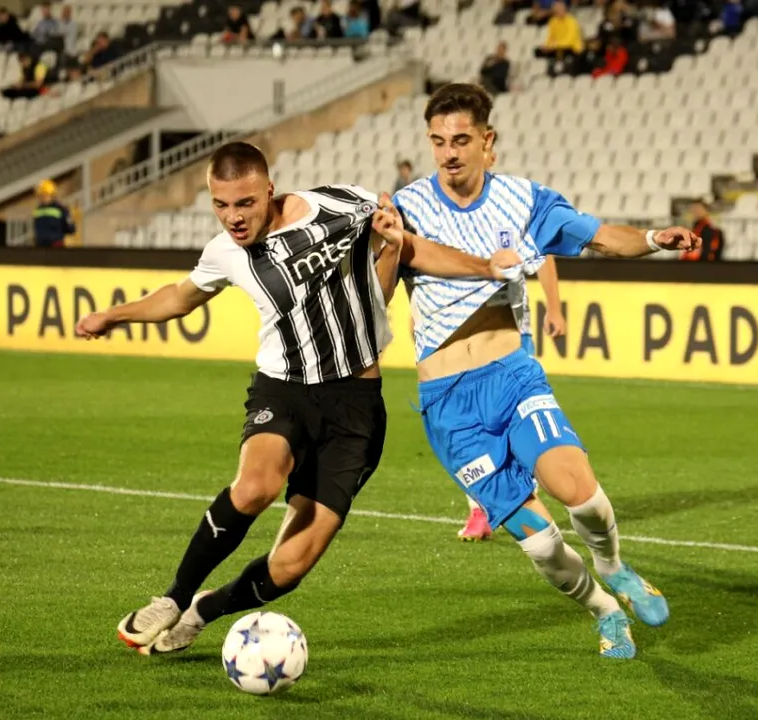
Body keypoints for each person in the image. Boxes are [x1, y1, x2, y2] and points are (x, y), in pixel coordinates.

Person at [76, 141, 521, 655]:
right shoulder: (226, 252)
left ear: (269, 189)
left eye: (244, 203)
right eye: (220, 205)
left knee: (290, 568)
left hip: (355, 406)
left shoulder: (345, 206)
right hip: (283, 389)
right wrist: (114, 315)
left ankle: (203, 610)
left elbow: (406, 256)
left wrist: (483, 266)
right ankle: (173, 598)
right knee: (255, 488)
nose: (233, 218)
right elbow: (181, 295)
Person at [383, 83, 699, 659]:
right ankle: (604, 612)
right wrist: (382, 244)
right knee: (539, 541)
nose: (449, 153)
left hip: (510, 375)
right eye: (438, 142)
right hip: (448, 407)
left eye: (460, 140)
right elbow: (379, 289)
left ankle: (617, 569)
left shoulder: (525, 201)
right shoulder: (405, 209)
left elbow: (601, 236)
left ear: (488, 141)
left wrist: (655, 238)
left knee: (575, 489)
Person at [448, 125, 566, 542]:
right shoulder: (449, 218)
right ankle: (481, 507)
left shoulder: (510, 210)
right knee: (470, 427)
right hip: (460, 342)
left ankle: (519, 494)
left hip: (513, 336)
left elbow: (545, 258)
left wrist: (554, 307)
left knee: (511, 425)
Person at [32, 180, 75, 248]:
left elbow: (70, 228)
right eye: (40, 196)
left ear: (51, 195)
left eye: (44, 195)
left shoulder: (61, 209)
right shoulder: (38, 210)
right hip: (40, 246)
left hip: (55, 245)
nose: (41, 198)